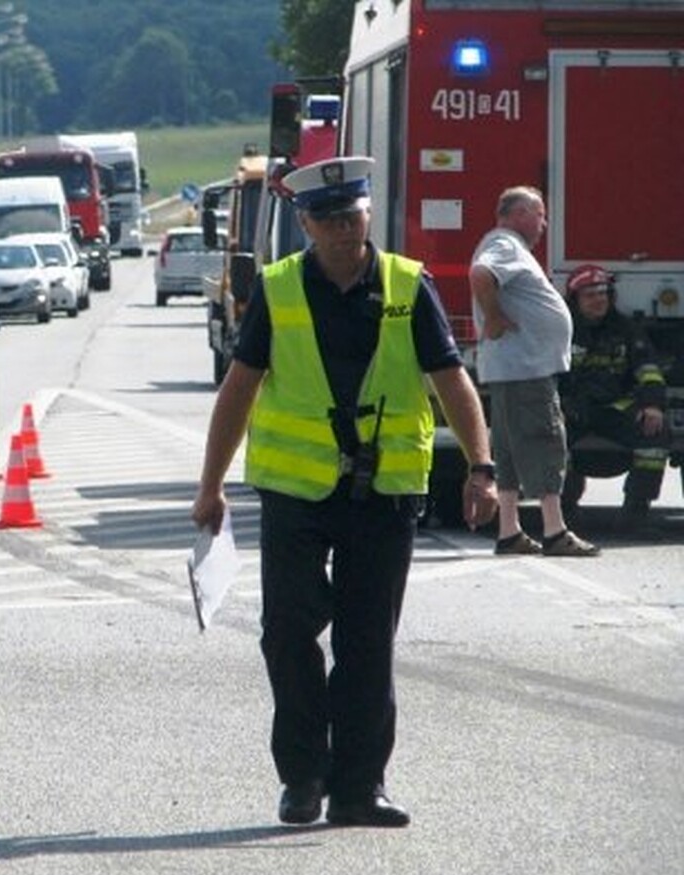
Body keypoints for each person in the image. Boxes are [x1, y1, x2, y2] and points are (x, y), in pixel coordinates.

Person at [192, 157, 498, 828]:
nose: (340, 229)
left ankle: (360, 787)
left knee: (367, 643)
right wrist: (210, 486)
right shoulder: (280, 289)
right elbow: (238, 388)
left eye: (351, 216)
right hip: (295, 493)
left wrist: (482, 467)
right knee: (288, 633)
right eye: (326, 219)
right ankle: (303, 776)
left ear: (368, 216)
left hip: (383, 491)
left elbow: (451, 381)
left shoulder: (407, 287)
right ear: (304, 223)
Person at [469, 186, 599, 557]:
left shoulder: (507, 246)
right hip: (525, 367)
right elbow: (481, 274)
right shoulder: (505, 244)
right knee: (545, 442)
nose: (544, 223)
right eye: (539, 214)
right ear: (518, 214)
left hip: (516, 367)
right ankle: (554, 530)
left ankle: (509, 531)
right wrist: (494, 317)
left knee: (509, 451)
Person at [560, 263, 668, 529]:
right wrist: (554, 407)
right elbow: (546, 375)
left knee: (656, 434)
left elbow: (649, 371)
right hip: (573, 408)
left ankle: (636, 510)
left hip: (615, 408)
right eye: (590, 295)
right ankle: (564, 506)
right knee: (552, 438)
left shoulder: (627, 330)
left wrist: (653, 405)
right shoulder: (561, 330)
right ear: (575, 300)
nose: (599, 300)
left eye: (603, 294)